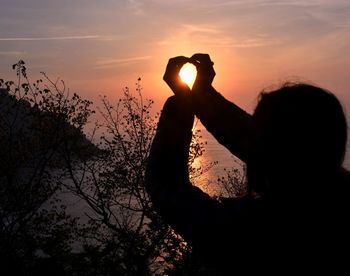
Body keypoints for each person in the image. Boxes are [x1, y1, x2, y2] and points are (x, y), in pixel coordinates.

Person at [145, 54, 350, 274]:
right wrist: (202, 95)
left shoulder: (246, 234)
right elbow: (275, 149)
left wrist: (181, 105)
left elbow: (167, 185)